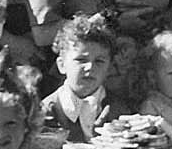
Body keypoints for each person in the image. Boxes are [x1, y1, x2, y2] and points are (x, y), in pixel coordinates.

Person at [41, 13, 119, 141]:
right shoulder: (45, 111)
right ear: (62, 65)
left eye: (99, 61)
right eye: (81, 60)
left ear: (109, 68)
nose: (90, 67)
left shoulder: (119, 110)